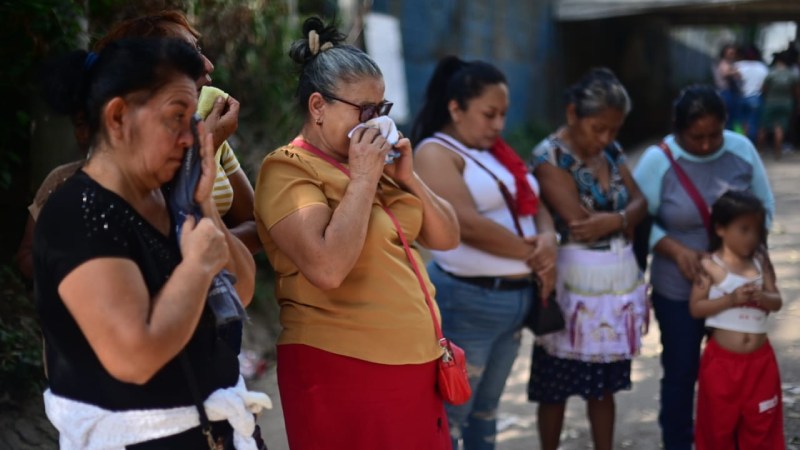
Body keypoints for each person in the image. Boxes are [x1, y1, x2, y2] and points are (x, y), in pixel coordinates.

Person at [34, 38, 268, 449]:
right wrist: (195, 269)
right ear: (119, 116)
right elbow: (135, 358)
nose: (188, 137)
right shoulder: (78, 213)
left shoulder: (173, 194)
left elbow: (242, 290)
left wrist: (203, 204)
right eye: (176, 118)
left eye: (192, 120)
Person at [253, 17, 460, 450]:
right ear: (317, 107)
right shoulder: (288, 169)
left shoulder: (370, 165)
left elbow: (447, 239)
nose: (376, 122)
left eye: (381, 110)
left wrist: (410, 178)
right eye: (364, 111)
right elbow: (327, 268)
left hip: (414, 365)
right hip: (343, 368)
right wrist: (364, 180)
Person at [16, 10, 258, 280]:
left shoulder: (203, 144)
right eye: (183, 53)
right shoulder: (85, 194)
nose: (207, 65)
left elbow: (241, 283)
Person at [412, 56, 558, 450]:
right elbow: (466, 224)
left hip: (514, 300)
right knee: (454, 411)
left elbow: (535, 201)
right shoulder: (434, 152)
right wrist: (537, 256)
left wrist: (548, 238)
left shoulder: (495, 151)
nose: (499, 125)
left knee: (487, 410)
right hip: (469, 300)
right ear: (455, 108)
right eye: (489, 114)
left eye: (503, 115)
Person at [633, 85, 775, 450]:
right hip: (678, 289)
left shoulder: (741, 151)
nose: (707, 145)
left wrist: (751, 266)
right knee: (682, 373)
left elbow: (765, 211)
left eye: (715, 135)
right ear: (679, 130)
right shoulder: (658, 160)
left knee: (734, 379)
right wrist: (676, 250)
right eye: (697, 137)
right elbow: (637, 220)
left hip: (737, 293)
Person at [527, 68, 649, 450]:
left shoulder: (610, 152)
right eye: (598, 128)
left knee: (604, 386)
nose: (606, 139)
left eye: (614, 130)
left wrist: (617, 219)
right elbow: (579, 224)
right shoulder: (549, 157)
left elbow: (642, 202)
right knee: (555, 384)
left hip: (614, 285)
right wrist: (626, 216)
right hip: (572, 285)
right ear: (572, 115)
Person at [689, 190, 784, 450]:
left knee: (761, 427)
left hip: (760, 364)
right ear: (720, 229)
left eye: (756, 231)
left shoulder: (760, 261)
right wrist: (730, 300)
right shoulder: (709, 265)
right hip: (722, 365)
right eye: (744, 229)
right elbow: (696, 308)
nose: (751, 237)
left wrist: (763, 297)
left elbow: (776, 301)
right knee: (717, 429)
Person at [760, 51, 800, 158]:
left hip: (770, 103)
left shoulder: (770, 73)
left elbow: (763, 89)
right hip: (786, 103)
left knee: (764, 127)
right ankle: (777, 152)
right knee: (780, 128)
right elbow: (796, 92)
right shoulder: (791, 74)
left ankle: (760, 151)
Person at [734, 45, 768, 143]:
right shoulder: (763, 67)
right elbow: (764, 85)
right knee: (752, 123)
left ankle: (739, 142)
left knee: (739, 122)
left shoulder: (738, 65)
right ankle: (749, 144)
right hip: (755, 97)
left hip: (740, 96)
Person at [714, 44, 741, 130]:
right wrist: (735, 72)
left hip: (731, 93)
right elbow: (725, 73)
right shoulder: (723, 63)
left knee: (732, 119)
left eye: (733, 53)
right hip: (725, 92)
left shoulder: (731, 64)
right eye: (730, 53)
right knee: (727, 118)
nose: (732, 55)